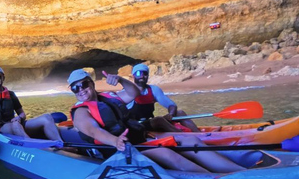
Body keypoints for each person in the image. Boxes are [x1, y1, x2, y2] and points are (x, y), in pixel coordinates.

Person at [66, 69, 244, 173]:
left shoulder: (108, 98)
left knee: (190, 140)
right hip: (119, 151)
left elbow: (133, 93)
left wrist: (120, 79)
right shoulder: (81, 111)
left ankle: (237, 171)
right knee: (167, 154)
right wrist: (115, 141)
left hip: (138, 141)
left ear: (91, 84)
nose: (80, 90)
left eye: (83, 84)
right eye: (75, 88)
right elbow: (93, 131)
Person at [128, 64, 200, 132]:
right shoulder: (127, 91)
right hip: (136, 125)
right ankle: (184, 136)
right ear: (133, 76)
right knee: (159, 120)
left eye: (145, 73)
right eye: (138, 73)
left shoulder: (154, 90)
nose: (142, 76)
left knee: (180, 113)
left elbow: (171, 105)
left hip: (150, 122)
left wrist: (171, 114)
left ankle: (199, 134)